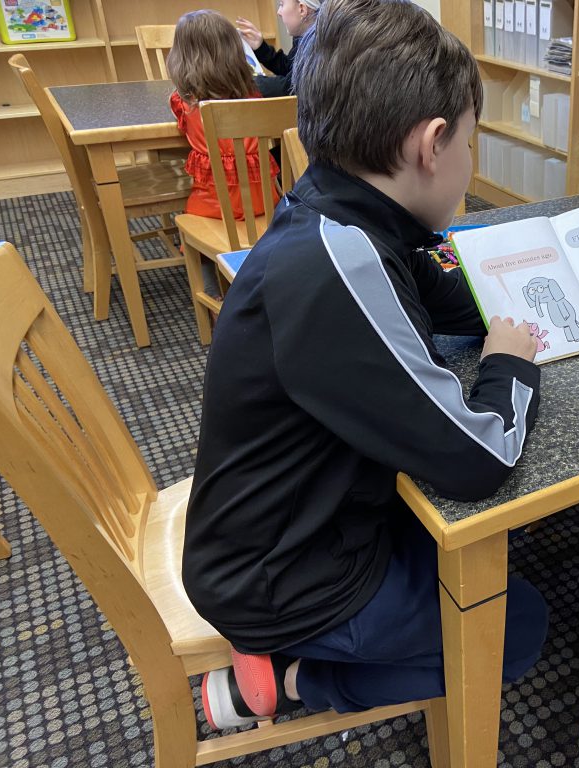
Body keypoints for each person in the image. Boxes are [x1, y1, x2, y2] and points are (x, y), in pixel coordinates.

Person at [184, 0, 548, 729]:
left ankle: (301, 658)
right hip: (285, 576)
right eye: (472, 146)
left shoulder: (339, 204)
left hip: (289, 519)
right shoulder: (337, 264)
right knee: (521, 626)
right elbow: (478, 457)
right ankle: (293, 680)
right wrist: (511, 366)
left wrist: (574, 281)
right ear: (432, 144)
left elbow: (436, 292)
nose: (471, 166)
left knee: (484, 557)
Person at [166, 9, 280, 221]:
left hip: (212, 211)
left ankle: (203, 251)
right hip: (266, 206)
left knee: (193, 203)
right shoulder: (258, 97)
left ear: (181, 58)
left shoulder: (184, 103)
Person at [236, 0, 319, 98]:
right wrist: (260, 47)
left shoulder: (321, 45)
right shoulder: (303, 37)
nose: (278, 12)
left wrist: (247, 83)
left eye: (281, 4)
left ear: (302, 9)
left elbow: (291, 87)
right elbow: (288, 68)